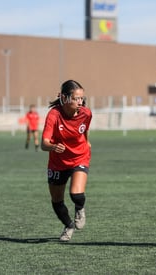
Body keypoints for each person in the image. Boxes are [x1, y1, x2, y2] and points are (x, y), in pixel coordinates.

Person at [41, 80, 92, 241]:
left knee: (76, 194)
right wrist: (53, 147)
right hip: (58, 162)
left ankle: (80, 208)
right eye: (76, 98)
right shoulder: (54, 115)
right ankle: (68, 226)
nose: (80, 102)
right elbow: (44, 144)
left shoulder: (86, 113)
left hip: (79, 156)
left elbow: (84, 131)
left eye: (82, 98)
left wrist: (87, 142)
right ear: (64, 98)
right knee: (57, 201)